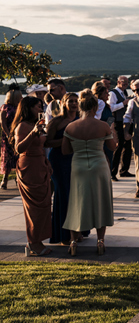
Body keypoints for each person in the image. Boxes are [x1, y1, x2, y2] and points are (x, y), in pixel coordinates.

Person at [62, 90, 116, 256]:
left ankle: (72, 242)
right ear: (94, 107)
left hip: (78, 167)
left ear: (80, 107)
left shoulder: (71, 127)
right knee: (101, 201)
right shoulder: (103, 126)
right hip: (99, 166)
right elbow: (112, 147)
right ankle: (100, 241)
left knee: (76, 203)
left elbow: (65, 150)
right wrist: (112, 133)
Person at [11, 96, 52, 256]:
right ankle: (33, 243)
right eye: (38, 107)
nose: (41, 110)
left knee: (44, 205)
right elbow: (19, 148)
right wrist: (33, 133)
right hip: (29, 167)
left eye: (42, 106)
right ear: (28, 108)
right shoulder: (22, 126)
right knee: (34, 207)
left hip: (40, 164)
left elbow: (41, 145)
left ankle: (38, 240)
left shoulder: (37, 124)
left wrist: (46, 162)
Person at [44, 93, 79, 245]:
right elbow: (47, 143)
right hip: (59, 161)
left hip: (76, 160)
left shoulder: (81, 120)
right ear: (63, 103)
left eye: (76, 101)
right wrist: (65, 140)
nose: (73, 104)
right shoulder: (56, 122)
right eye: (70, 101)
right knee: (63, 195)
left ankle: (77, 231)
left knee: (76, 196)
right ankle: (63, 234)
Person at [108, 75, 134, 181]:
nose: (126, 84)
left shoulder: (124, 92)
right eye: (123, 82)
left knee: (127, 146)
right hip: (117, 122)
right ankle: (112, 172)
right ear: (118, 82)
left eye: (127, 82)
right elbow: (111, 107)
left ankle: (124, 170)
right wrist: (123, 103)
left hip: (125, 122)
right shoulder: (112, 93)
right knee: (118, 147)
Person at [1, 89, 22, 189]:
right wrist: (8, 135)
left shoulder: (20, 108)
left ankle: (19, 179)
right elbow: (2, 122)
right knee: (7, 157)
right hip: (8, 135)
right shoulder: (5, 108)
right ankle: (5, 179)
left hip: (19, 134)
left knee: (18, 157)